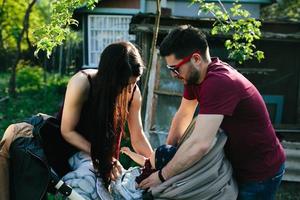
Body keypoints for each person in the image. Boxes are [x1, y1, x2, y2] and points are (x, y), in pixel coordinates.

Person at [139, 25, 286, 200]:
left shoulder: (219, 83)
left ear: (196, 59)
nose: (173, 75)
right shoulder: (195, 79)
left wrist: (162, 175)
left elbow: (200, 144)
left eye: (175, 69)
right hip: (235, 164)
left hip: (260, 172)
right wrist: (166, 156)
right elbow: (183, 115)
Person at [0, 41, 153, 200]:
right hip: (69, 149)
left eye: (134, 83)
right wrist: (102, 156)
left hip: (103, 156)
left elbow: (138, 136)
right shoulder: (82, 82)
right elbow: (67, 131)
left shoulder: (133, 92)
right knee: (88, 186)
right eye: (125, 84)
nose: (130, 90)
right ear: (110, 77)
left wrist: (156, 165)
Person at [110, 145, 177, 199]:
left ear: (157, 162)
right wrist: (129, 153)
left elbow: (137, 188)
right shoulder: (149, 163)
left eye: (155, 152)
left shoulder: (152, 177)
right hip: (127, 179)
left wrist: (119, 183)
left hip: (127, 190)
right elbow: (141, 159)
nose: (153, 150)